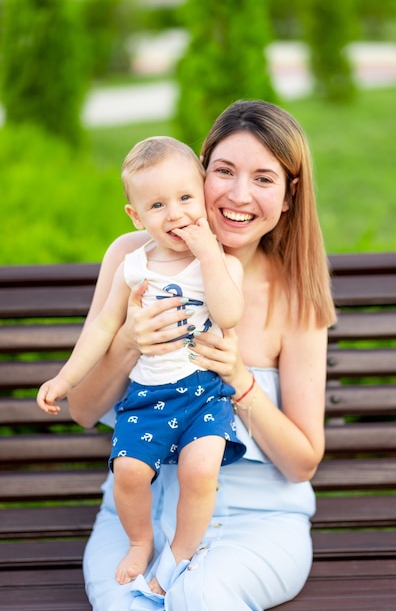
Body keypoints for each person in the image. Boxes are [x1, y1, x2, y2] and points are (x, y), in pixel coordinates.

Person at [67, 100, 336, 611]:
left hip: (258, 523)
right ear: (199, 172)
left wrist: (238, 377)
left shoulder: (295, 293)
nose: (238, 195)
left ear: (288, 196)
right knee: (128, 605)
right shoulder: (132, 258)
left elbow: (303, 462)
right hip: (141, 521)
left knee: (201, 597)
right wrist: (128, 341)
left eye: (263, 178)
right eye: (225, 172)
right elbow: (82, 411)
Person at [36, 136, 246, 594]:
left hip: (203, 393)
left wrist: (210, 254)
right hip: (148, 395)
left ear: (204, 195)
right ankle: (139, 540)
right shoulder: (134, 266)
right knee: (128, 473)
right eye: (157, 205)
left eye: (186, 198)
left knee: (200, 469)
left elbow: (229, 315)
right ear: (136, 215)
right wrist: (65, 378)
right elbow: (100, 331)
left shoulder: (221, 264)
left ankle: (181, 552)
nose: (176, 215)